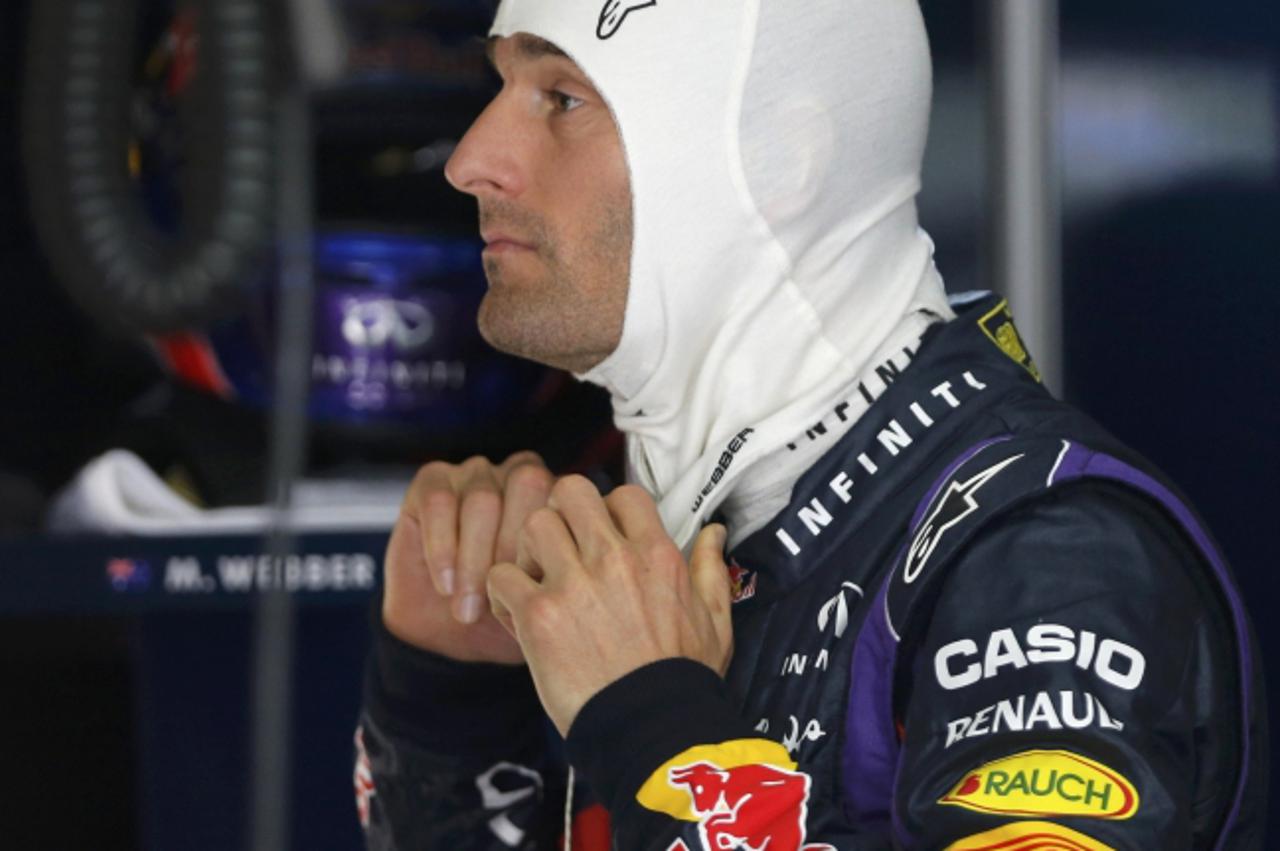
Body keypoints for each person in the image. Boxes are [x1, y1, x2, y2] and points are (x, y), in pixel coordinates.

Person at [353, 1, 1268, 848]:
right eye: (500, 88)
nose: (473, 157)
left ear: (778, 158)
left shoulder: (1045, 556)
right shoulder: (640, 510)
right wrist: (449, 704)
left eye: (561, 98)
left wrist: (657, 728)